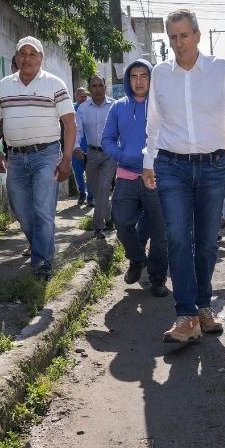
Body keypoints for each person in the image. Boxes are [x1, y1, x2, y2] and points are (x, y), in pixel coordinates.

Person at [142, 8, 225, 343]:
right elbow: (154, 122)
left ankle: (203, 305)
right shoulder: (161, 73)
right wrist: (149, 160)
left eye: (184, 36)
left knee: (205, 241)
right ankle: (186, 314)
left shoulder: (220, 70)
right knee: (177, 236)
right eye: (172, 37)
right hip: (171, 165)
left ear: (197, 35)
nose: (178, 43)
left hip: (213, 166)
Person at [0, 36, 76, 281]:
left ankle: (43, 264)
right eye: (22, 53)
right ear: (16, 57)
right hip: (15, 158)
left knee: (43, 211)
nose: (26, 58)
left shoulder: (54, 84)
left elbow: (69, 122)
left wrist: (66, 158)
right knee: (22, 211)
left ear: (41, 58)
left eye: (32, 53)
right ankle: (42, 246)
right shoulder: (4, 86)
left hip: (46, 155)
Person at [101, 59, 169, 297]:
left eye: (144, 76)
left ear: (151, 79)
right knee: (121, 222)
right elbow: (107, 139)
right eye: (134, 76)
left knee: (160, 232)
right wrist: (124, 155)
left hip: (156, 178)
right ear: (128, 80)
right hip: (127, 176)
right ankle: (138, 259)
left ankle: (158, 278)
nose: (139, 81)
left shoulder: (162, 105)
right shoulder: (118, 107)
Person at [74, 76, 116, 238]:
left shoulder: (114, 106)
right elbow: (77, 131)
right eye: (94, 86)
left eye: (100, 85)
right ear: (89, 89)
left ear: (105, 87)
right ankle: (110, 217)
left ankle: (98, 226)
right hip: (90, 154)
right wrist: (76, 147)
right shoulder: (83, 109)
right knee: (98, 191)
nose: (97, 89)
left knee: (105, 186)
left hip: (110, 154)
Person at [72, 87, 91, 204]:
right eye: (81, 96)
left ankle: (91, 196)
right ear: (76, 96)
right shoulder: (71, 109)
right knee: (78, 172)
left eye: (85, 96)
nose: (83, 98)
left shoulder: (90, 107)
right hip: (75, 146)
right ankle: (82, 193)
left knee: (90, 172)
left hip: (89, 146)